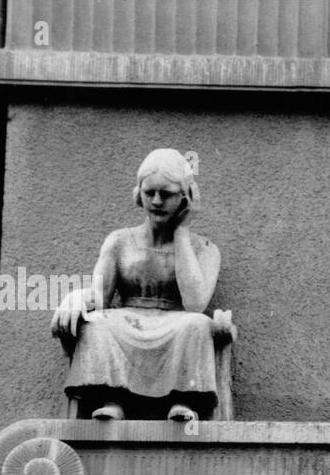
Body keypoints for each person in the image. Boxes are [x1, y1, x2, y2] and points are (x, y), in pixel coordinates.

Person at [51, 148, 222, 422]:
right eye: (149, 192)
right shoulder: (119, 241)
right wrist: (76, 298)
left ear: (185, 198)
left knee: (197, 325)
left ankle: (182, 399)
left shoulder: (204, 249)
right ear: (138, 193)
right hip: (128, 319)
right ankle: (113, 399)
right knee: (98, 323)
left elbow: (195, 304)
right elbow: (100, 296)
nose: (156, 201)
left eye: (166, 194)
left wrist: (181, 232)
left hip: (176, 321)